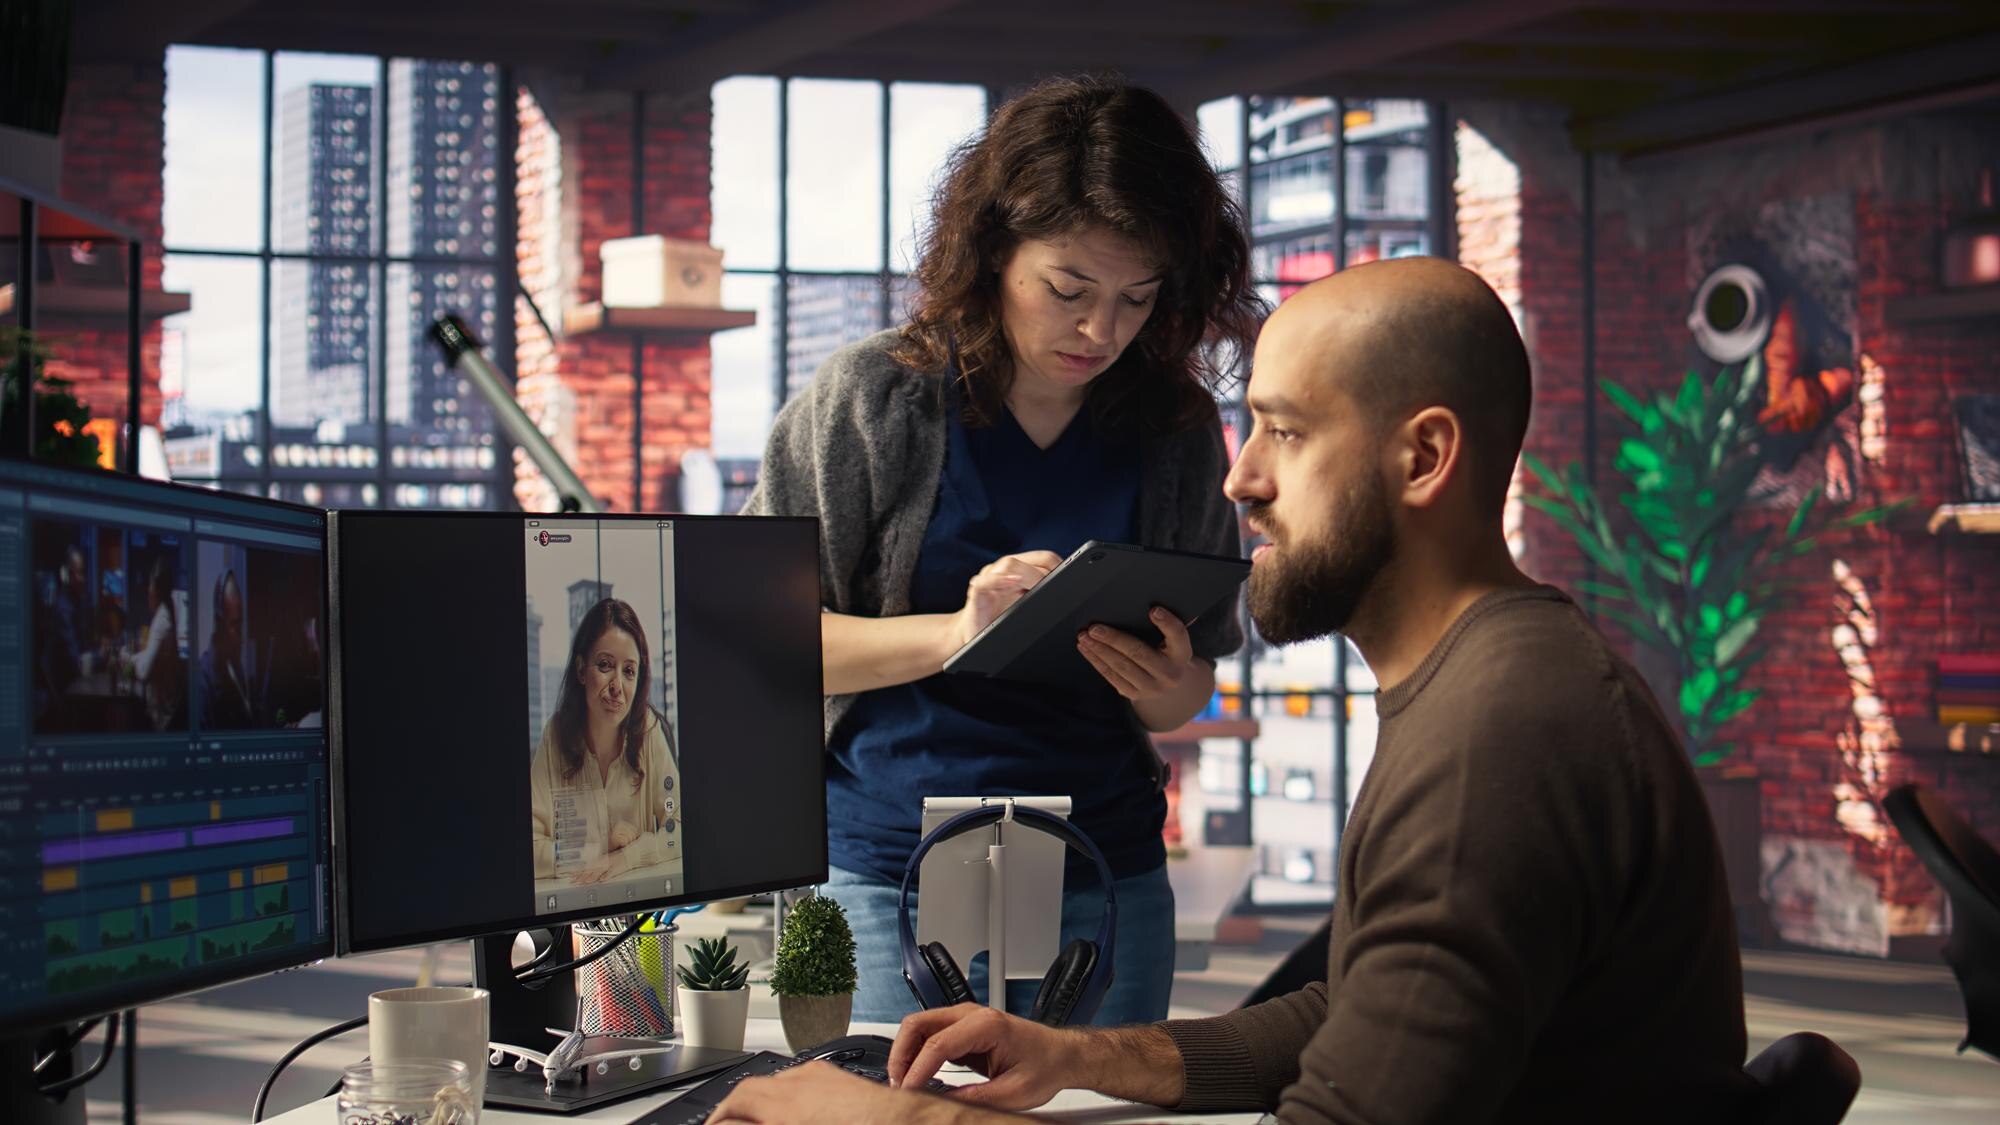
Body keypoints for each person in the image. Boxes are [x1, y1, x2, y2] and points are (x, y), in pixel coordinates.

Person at [710, 259, 1754, 1124]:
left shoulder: (1500, 737)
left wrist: (894, 1117)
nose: (1236, 479)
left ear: (1424, 456)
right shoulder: (1486, 680)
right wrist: (1076, 1058)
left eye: (1285, 434)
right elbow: (1349, 1014)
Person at [741, 73, 1261, 1026]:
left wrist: (1165, 680)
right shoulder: (871, 400)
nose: (1101, 329)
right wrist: (955, 631)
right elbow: (760, 639)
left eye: (1136, 299)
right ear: (992, 252)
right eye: (1068, 289)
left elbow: (1193, 689)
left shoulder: (1175, 428)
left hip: (1103, 873)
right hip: (885, 872)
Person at [530, 597, 682, 888]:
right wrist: (599, 846)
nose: (617, 687)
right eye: (604, 665)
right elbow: (530, 852)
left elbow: (680, 829)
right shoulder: (555, 735)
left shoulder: (649, 729)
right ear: (580, 670)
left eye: (628, 671)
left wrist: (625, 858)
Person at [130, 556, 185, 731]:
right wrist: (133, 657)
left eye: (150, 585)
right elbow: (149, 656)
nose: (148, 590)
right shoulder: (166, 612)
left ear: (156, 590)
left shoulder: (162, 619)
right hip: (165, 711)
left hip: (162, 719)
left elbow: (144, 671)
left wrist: (130, 661)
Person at [200, 570, 255, 729]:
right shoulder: (202, 679)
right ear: (219, 622)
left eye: (240, 624)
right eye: (234, 625)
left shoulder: (235, 667)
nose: (240, 636)